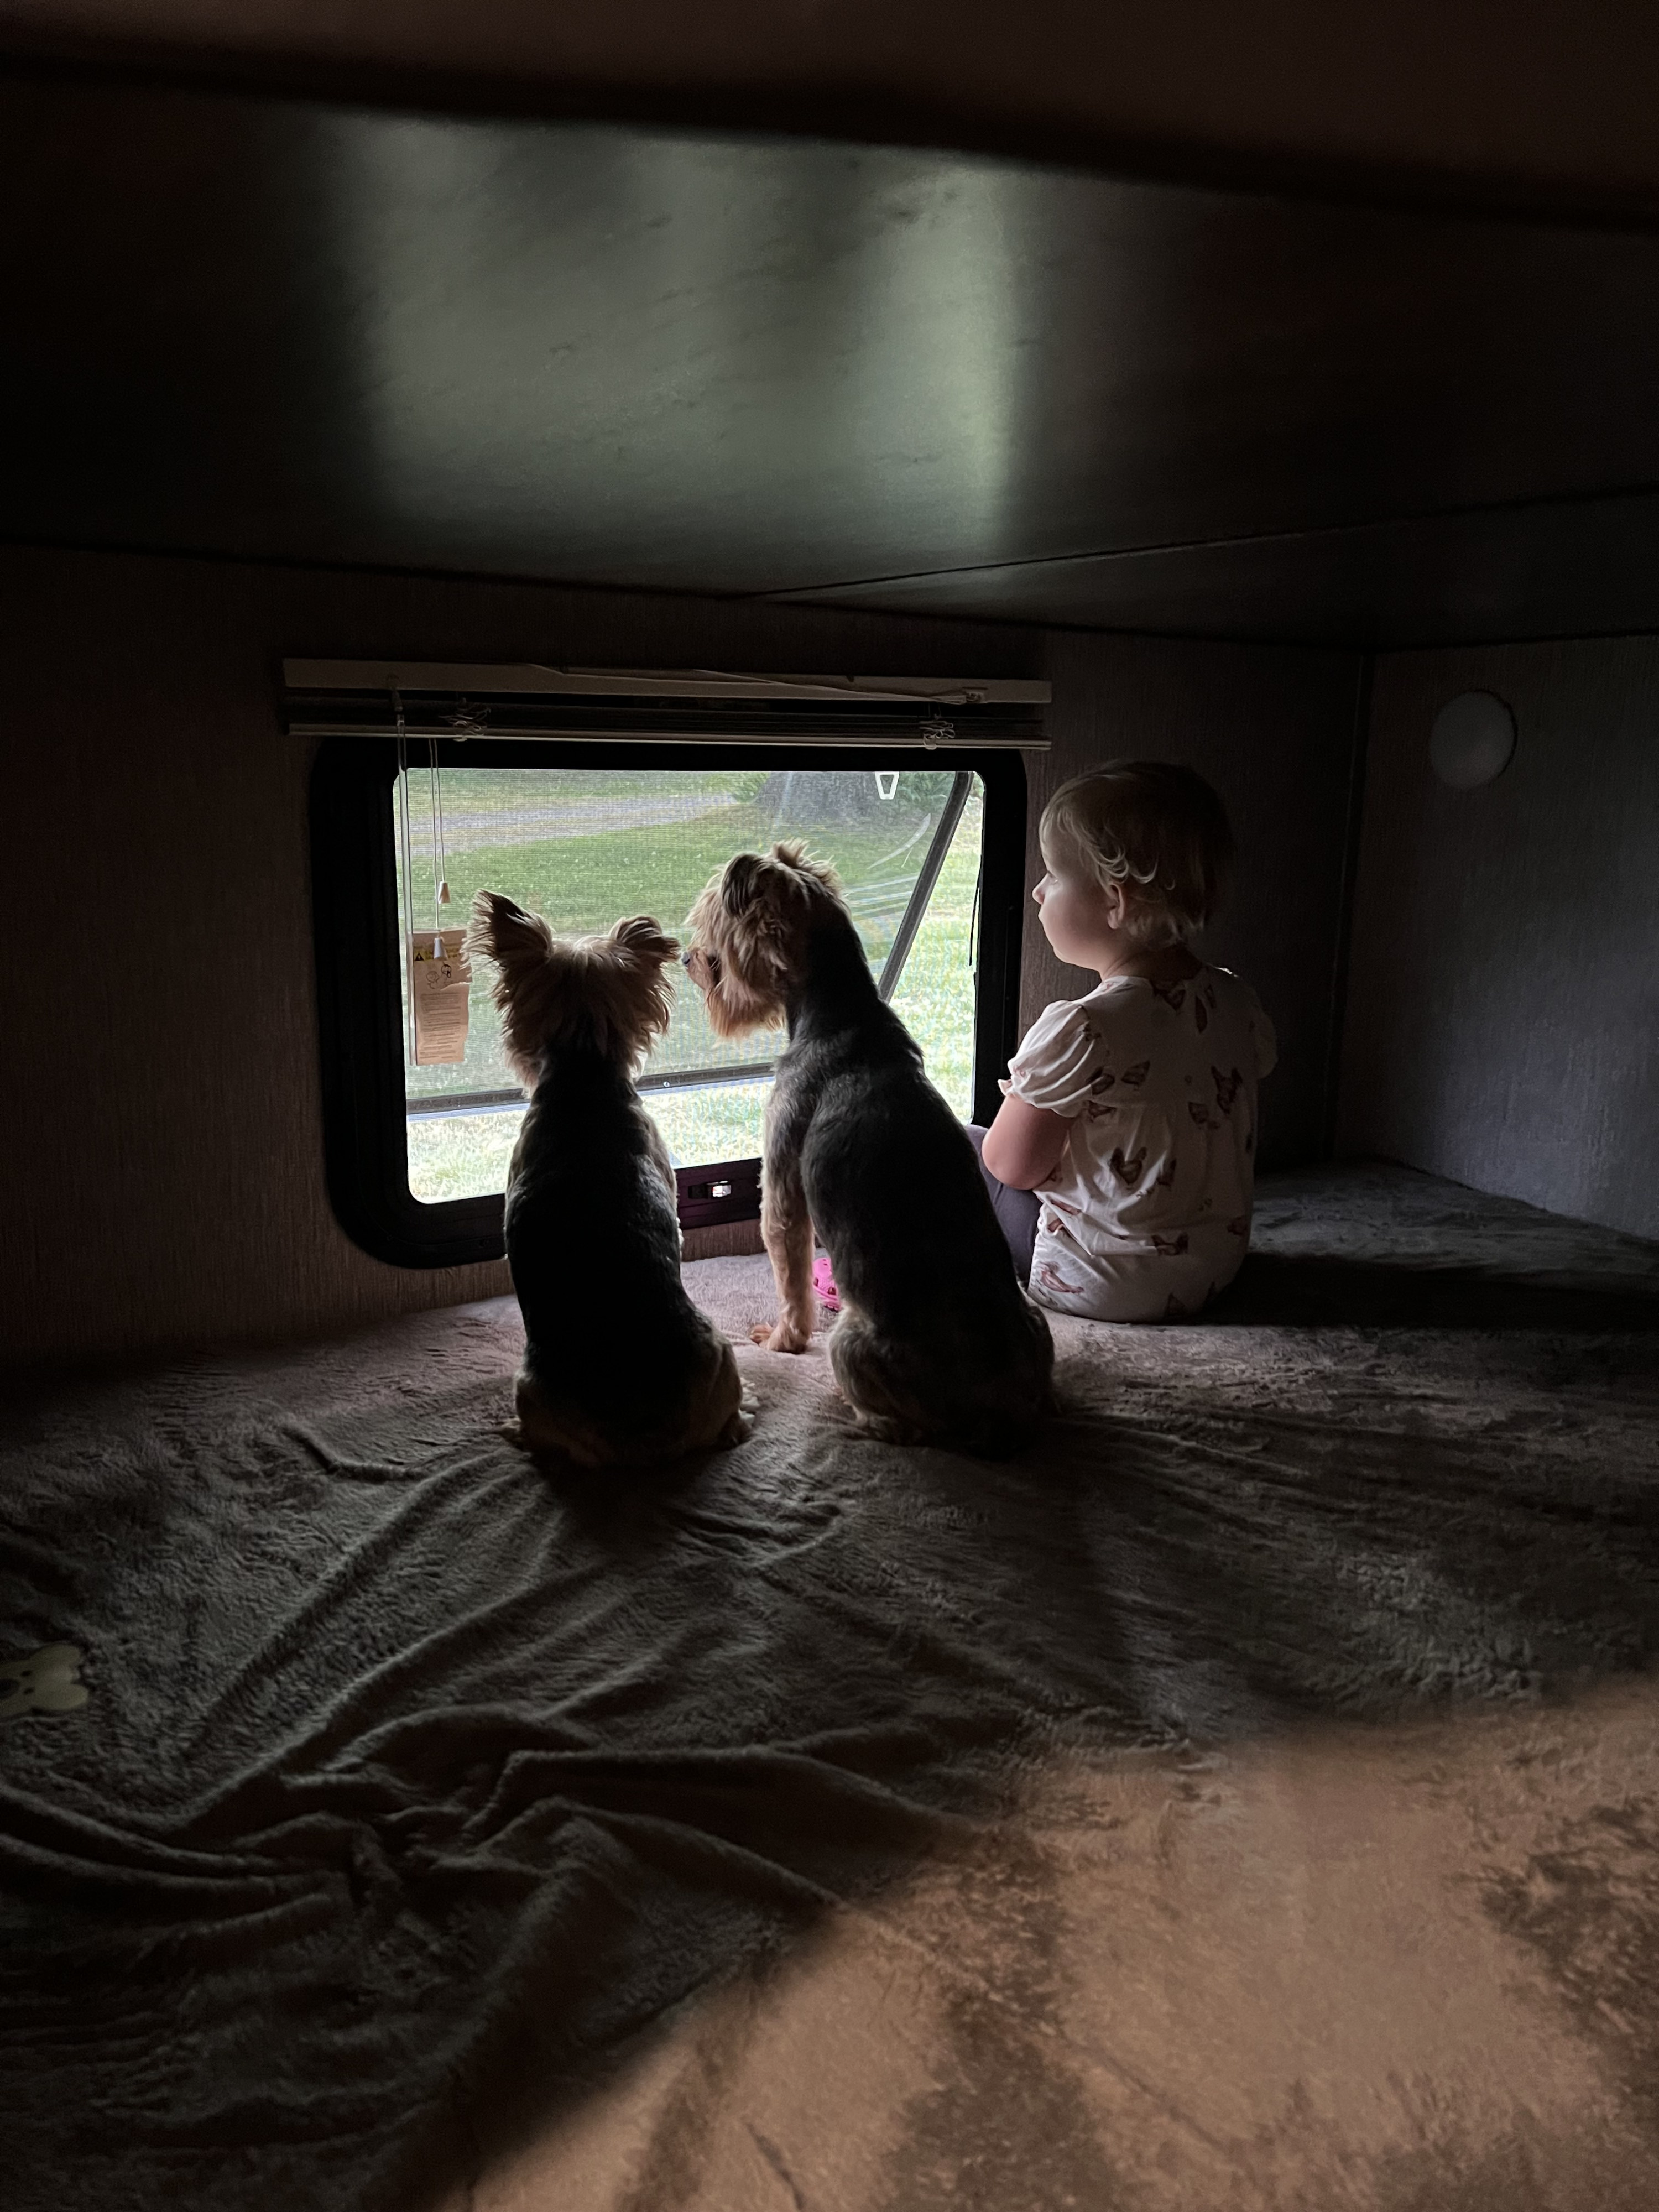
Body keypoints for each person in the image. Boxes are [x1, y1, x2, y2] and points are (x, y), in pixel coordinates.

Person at [973, 761, 1276, 1322]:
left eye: (1053, 875)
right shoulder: (1237, 1002)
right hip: (1212, 1271)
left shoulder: (1082, 1028)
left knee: (963, 1144)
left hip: (1097, 1284)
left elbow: (1010, 1166)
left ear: (1116, 901)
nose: (1038, 891)